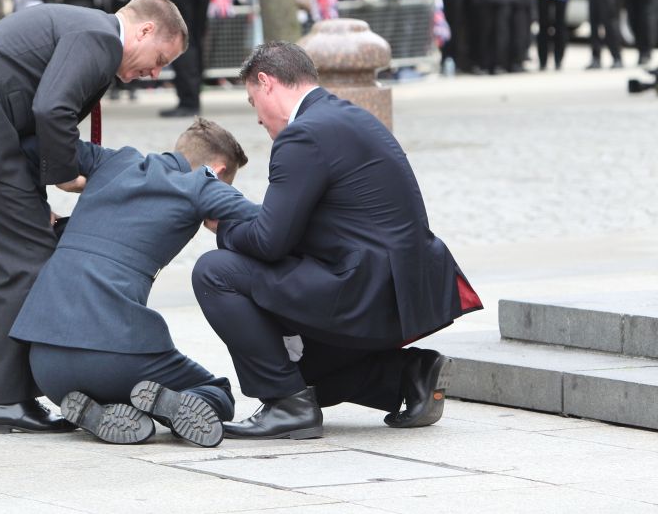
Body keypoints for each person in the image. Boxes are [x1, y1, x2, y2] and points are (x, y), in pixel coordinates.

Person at [0, 0, 188, 434]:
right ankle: (8, 400)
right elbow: (52, 109)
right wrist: (66, 177)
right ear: (143, 31)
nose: (154, 72)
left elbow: (30, 110)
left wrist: (34, 199)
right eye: (159, 57)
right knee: (28, 260)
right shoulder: (102, 36)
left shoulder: (82, 28)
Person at [192, 42, 482, 440]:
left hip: (366, 290)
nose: (257, 118)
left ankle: (285, 404)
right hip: (406, 290)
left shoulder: (301, 136)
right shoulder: (347, 117)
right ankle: (409, 375)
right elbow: (293, 225)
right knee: (306, 377)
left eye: (252, 100)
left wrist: (221, 226)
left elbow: (270, 242)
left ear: (267, 82)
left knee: (215, 271)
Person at [11, 119, 256, 447]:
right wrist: (224, 225)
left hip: (45, 365)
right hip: (117, 356)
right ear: (218, 169)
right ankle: (166, 406)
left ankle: (101, 411)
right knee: (218, 393)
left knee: (134, 391)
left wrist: (38, 210)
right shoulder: (201, 186)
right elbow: (271, 224)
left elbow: (31, 146)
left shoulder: (113, 161)